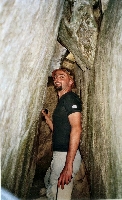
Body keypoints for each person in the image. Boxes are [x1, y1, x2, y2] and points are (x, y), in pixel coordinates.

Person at [42, 68, 82, 200]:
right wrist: (48, 119)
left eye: (62, 76)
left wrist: (68, 164)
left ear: (71, 81)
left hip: (66, 154)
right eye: (55, 77)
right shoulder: (63, 101)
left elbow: (76, 129)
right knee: (49, 180)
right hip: (60, 154)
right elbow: (59, 131)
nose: (56, 79)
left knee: (60, 193)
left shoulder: (70, 98)